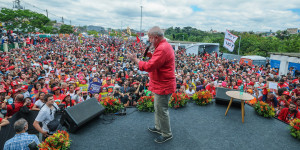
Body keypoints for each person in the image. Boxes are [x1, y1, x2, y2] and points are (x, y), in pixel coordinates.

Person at [127, 26, 175, 143]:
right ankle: (159, 127)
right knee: (158, 108)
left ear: (156, 37)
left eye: (150, 38)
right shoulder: (162, 46)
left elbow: (149, 66)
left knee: (161, 110)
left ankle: (166, 133)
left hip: (163, 85)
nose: (149, 40)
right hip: (160, 84)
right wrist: (149, 55)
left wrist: (136, 60)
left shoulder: (162, 48)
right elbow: (156, 62)